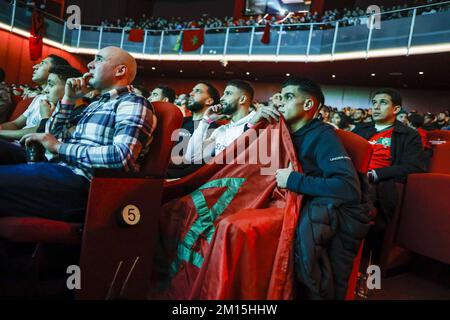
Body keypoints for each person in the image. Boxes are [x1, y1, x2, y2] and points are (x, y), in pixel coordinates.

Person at [0, 46, 156, 222]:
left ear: (120, 70)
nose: (90, 65)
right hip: (59, 168)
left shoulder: (133, 102)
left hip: (82, 184)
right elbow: (49, 134)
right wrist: (69, 99)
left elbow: (122, 156)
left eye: (98, 59)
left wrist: (59, 147)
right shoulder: (94, 104)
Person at [273, 77, 369, 299]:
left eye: (288, 97)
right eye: (280, 97)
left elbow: (348, 187)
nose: (280, 103)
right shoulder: (283, 130)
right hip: (286, 204)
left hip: (313, 209)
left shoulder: (324, 136)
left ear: (308, 105)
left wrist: (294, 180)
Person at [353, 88, 425, 258]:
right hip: (352, 175)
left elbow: (413, 166)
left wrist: (375, 174)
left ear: (396, 109)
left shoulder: (408, 135)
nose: (376, 107)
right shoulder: (360, 129)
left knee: (360, 198)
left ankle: (361, 258)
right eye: (374, 103)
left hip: (379, 182)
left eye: (383, 103)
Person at [0, 65, 82, 165]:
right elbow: (16, 123)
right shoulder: (45, 101)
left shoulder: (77, 115)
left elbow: (43, 145)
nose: (46, 90)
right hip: (29, 152)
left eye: (51, 85)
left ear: (70, 87)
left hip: (39, 158)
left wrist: (45, 118)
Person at [0, 55, 70, 141]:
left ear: (55, 70)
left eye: (42, 63)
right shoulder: (39, 98)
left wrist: (2, 133)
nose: (35, 67)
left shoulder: (61, 104)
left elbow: (40, 129)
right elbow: (16, 124)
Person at [184, 80, 256, 164]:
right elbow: (192, 157)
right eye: (223, 94)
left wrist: (252, 124)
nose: (222, 98)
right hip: (222, 177)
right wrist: (205, 122)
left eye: (228, 93)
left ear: (242, 99)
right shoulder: (221, 130)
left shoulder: (257, 123)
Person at [167, 82, 220, 178]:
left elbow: (193, 161)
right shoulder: (180, 121)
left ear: (209, 101)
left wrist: (162, 161)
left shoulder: (212, 128)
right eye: (192, 90)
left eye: (198, 91)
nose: (191, 94)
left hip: (178, 179)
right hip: (160, 171)